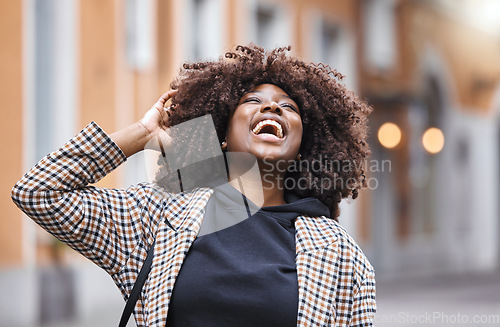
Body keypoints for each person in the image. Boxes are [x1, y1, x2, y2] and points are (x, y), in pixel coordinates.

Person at [12, 44, 376, 326]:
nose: (272, 109)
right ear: (221, 138)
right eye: (253, 101)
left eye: (288, 106)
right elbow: (39, 192)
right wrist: (142, 134)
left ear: (304, 149)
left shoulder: (338, 252)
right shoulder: (158, 216)